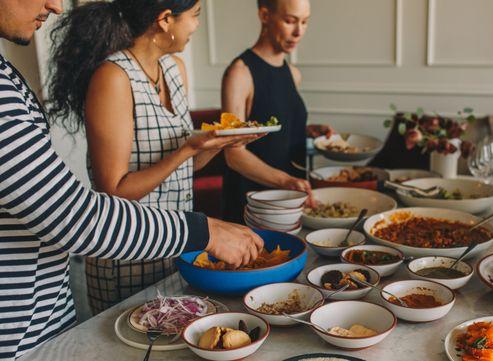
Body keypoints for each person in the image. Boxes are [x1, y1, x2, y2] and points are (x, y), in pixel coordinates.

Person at [0, 1, 262, 359]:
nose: (57, 6)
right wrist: (205, 230)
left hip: (45, 325)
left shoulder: (6, 76)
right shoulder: (112, 76)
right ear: (165, 19)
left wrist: (214, 145)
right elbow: (73, 215)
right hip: (21, 336)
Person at [221, 0, 333, 222]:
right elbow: (233, 153)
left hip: (290, 200)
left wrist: (307, 130)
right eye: (290, 21)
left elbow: (274, 124)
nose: (298, 31)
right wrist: (286, 181)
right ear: (264, 15)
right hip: (254, 205)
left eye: (304, 22)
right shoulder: (240, 73)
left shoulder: (293, 73)